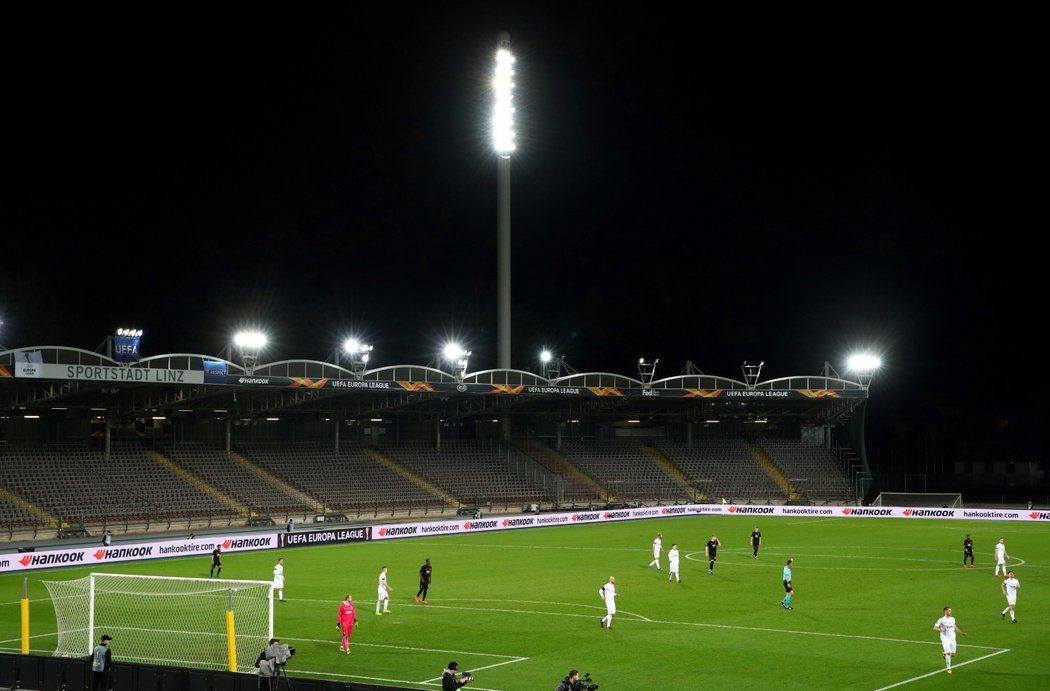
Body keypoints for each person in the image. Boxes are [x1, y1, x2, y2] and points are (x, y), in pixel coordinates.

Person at [934, 606, 966, 674]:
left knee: (953, 654)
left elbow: (955, 628)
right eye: (949, 611)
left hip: (952, 638)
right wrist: (941, 629)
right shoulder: (941, 620)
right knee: (948, 653)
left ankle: (945, 654)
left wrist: (961, 633)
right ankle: (948, 668)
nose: (950, 612)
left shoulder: (953, 619)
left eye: (950, 611)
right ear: (945, 611)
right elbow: (934, 628)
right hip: (945, 638)